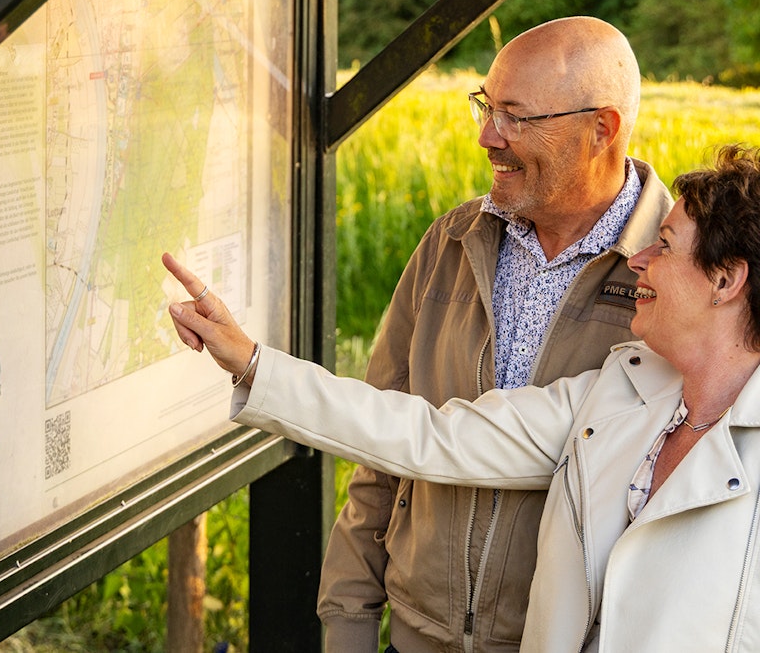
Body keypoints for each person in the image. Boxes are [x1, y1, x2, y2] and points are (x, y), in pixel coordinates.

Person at [165, 143, 760, 652]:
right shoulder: (620, 391)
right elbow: (427, 435)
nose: (638, 261)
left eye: (665, 245)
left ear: (726, 280)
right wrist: (251, 363)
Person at [319, 16, 671, 652]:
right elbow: (380, 456)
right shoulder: (450, 242)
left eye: (517, 116)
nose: (488, 136)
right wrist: (347, 625)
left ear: (603, 128)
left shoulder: (677, 273)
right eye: (487, 106)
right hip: (415, 639)